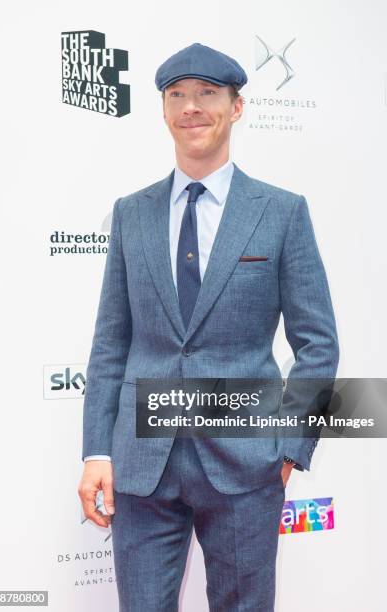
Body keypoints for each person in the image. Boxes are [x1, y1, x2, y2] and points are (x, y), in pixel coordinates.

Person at [78, 42, 339, 611]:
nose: (191, 107)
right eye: (177, 96)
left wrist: (289, 445)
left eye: (207, 93)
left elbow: (318, 344)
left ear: (237, 107)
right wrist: (97, 449)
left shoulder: (281, 211)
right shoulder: (131, 213)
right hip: (142, 465)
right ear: (164, 111)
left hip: (246, 465)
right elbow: (110, 343)